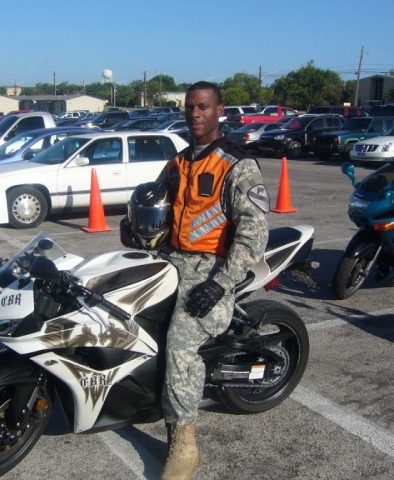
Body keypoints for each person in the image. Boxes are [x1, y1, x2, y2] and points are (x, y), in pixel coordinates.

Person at [123, 81, 271, 480]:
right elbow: (158, 208)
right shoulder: (177, 163)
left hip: (213, 268)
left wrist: (221, 283)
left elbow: (254, 233)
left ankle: (184, 443)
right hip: (172, 258)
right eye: (190, 107)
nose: (195, 114)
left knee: (181, 343)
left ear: (219, 110)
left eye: (203, 107)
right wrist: (133, 227)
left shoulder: (237, 165)